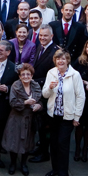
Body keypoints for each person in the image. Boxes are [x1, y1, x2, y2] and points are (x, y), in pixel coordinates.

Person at [41, 49, 85, 176]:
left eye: (63, 59)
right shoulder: (51, 73)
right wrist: (49, 87)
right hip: (53, 115)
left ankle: (63, 174)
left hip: (67, 116)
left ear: (68, 61)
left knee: (62, 144)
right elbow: (44, 94)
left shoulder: (74, 75)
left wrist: (77, 116)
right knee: (53, 142)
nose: (60, 61)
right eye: (58, 59)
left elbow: (80, 96)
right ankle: (55, 169)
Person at [2, 63, 43, 176]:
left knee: (27, 142)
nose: (25, 76)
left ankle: (24, 164)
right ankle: (13, 163)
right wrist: (25, 102)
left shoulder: (36, 86)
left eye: (28, 74)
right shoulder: (16, 86)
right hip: (16, 117)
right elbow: (12, 102)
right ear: (19, 76)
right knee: (14, 141)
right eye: (23, 74)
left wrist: (38, 106)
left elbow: (40, 101)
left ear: (32, 75)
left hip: (30, 118)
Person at [29, 26, 56, 163]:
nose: (43, 38)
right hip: (39, 91)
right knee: (40, 123)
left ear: (51, 36)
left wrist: (34, 81)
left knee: (46, 125)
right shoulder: (40, 47)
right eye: (41, 36)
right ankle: (40, 148)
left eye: (45, 36)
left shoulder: (55, 52)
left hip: (48, 93)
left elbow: (53, 76)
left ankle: (45, 153)